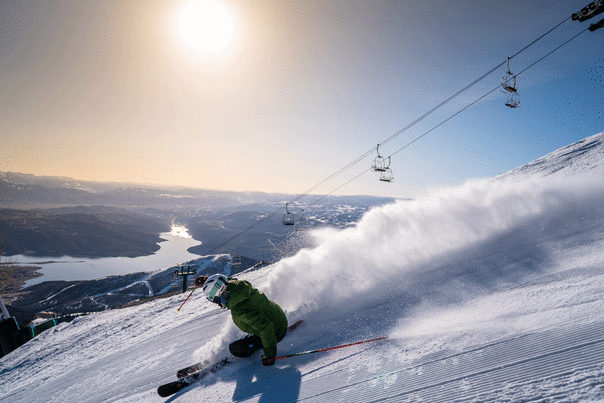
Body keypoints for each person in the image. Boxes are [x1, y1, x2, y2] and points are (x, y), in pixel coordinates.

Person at [194, 274, 288, 366]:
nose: (217, 303)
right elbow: (224, 281)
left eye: (215, 300)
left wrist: (270, 355)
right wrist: (208, 281)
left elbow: (266, 327)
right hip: (278, 317)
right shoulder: (238, 286)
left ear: (221, 295)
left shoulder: (240, 310)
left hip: (276, 332)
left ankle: (247, 352)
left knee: (234, 348)